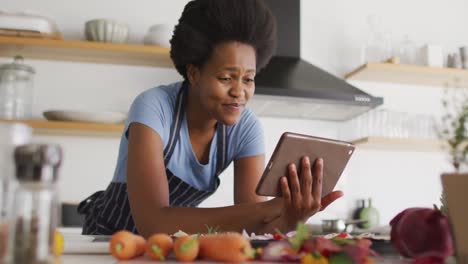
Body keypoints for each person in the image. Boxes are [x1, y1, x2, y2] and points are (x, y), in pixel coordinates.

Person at [78, 0, 343, 237]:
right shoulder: (154, 107)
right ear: (194, 74)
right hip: (107, 239)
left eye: (248, 79)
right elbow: (154, 221)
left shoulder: (246, 128)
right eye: (226, 78)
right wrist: (269, 208)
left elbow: (256, 229)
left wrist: (291, 217)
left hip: (172, 246)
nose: (239, 92)